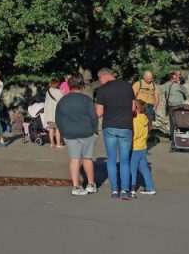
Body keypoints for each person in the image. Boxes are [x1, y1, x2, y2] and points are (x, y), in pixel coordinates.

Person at [95, 68, 136, 200]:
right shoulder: (127, 86)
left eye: (100, 79)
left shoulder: (103, 90)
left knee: (111, 160)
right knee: (124, 160)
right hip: (126, 126)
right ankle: (125, 190)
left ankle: (114, 191)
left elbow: (99, 113)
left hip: (110, 127)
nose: (100, 82)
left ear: (104, 77)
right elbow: (133, 108)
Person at [55, 75, 98, 196]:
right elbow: (93, 117)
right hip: (86, 132)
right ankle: (90, 184)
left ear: (69, 85)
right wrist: (95, 131)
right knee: (87, 158)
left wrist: (63, 133)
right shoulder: (87, 100)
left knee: (74, 159)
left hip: (69, 132)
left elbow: (58, 119)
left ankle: (76, 186)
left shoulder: (63, 100)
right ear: (82, 86)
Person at [130, 100, 156, 196]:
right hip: (143, 147)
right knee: (144, 168)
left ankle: (132, 188)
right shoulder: (145, 118)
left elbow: (135, 135)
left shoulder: (135, 120)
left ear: (136, 109)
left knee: (132, 168)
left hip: (135, 147)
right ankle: (150, 187)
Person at [162, 71, 189, 135]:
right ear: (172, 79)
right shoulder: (176, 85)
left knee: (172, 123)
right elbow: (185, 92)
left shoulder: (166, 85)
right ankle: (180, 136)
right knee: (181, 121)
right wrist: (180, 85)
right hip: (178, 106)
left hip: (170, 106)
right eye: (176, 78)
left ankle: (172, 138)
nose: (178, 79)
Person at [43, 79, 64, 148]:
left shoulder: (48, 91)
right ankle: (58, 144)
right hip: (56, 113)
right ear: (56, 84)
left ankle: (52, 143)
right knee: (58, 128)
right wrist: (63, 93)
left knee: (51, 128)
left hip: (49, 113)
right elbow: (62, 100)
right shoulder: (57, 91)